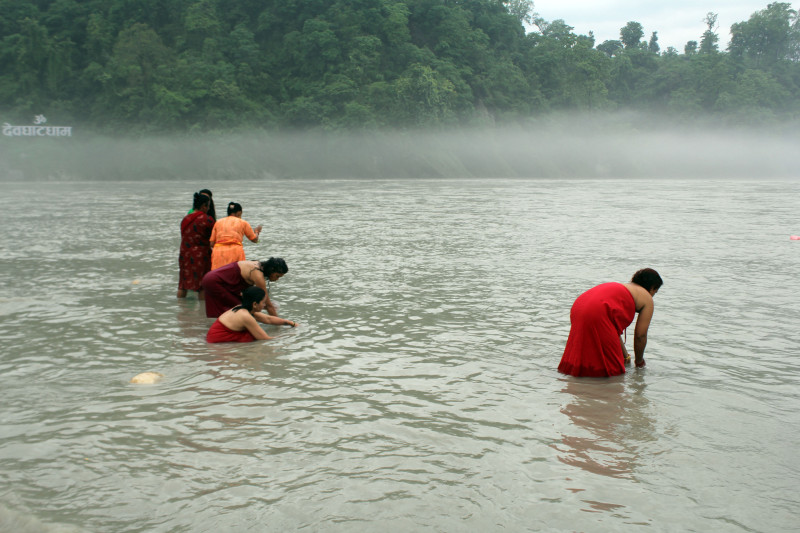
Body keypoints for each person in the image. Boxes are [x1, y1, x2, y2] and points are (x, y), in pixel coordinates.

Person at [558, 268, 663, 377]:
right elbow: (640, 336)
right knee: (614, 371)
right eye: (655, 292)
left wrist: (625, 355)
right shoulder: (646, 298)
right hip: (598, 311)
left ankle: (577, 381)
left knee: (585, 353)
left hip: (579, 306)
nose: (653, 296)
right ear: (652, 288)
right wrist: (639, 362)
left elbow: (611, 330)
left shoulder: (623, 288)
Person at [201, 257, 289, 318]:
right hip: (214, 282)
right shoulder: (258, 275)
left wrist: (264, 306)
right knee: (242, 309)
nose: (277, 279)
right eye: (277, 276)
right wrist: (279, 325)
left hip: (211, 278)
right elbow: (269, 306)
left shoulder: (257, 264)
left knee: (239, 307)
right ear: (271, 270)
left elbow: (250, 297)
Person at [206, 286, 297, 343]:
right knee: (250, 337)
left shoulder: (244, 308)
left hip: (214, 336)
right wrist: (289, 337)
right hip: (216, 340)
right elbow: (265, 338)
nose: (264, 305)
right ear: (254, 304)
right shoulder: (245, 316)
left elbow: (268, 319)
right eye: (263, 302)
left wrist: (291, 323)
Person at [177, 192, 215, 299]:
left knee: (183, 285)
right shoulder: (207, 219)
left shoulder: (186, 219)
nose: (208, 209)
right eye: (207, 206)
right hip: (200, 256)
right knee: (202, 286)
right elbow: (213, 237)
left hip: (184, 254)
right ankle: (202, 314)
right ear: (203, 206)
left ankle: (181, 309)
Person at [209, 202, 262, 271]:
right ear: (239, 213)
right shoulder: (242, 222)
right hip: (235, 252)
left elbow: (212, 243)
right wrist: (257, 231)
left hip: (218, 252)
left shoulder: (218, 222)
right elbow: (255, 239)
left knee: (218, 276)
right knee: (235, 276)